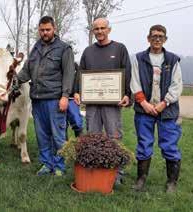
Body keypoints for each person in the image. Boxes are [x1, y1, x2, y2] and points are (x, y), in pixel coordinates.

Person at [13, 16, 75, 176]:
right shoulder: (35, 48)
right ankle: (47, 164)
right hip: (38, 99)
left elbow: (69, 74)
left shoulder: (64, 48)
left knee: (58, 135)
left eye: (47, 29)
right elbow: (26, 71)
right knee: (42, 136)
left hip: (55, 99)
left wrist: (65, 96)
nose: (44, 33)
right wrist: (13, 82)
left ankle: (60, 166)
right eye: (42, 30)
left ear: (54, 29)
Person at [78, 18, 131, 184]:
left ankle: (117, 173)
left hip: (112, 103)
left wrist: (127, 94)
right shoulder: (88, 52)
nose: (99, 31)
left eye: (103, 28)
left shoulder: (120, 48)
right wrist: (77, 92)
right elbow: (81, 73)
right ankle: (95, 170)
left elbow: (127, 73)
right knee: (93, 136)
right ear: (93, 31)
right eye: (96, 29)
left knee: (114, 135)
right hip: (92, 103)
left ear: (109, 29)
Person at [131, 25, 183, 193]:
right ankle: (141, 179)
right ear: (148, 38)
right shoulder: (138, 59)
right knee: (144, 144)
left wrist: (164, 103)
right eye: (154, 36)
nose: (157, 39)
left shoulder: (173, 60)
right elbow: (134, 82)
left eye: (161, 36)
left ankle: (172, 182)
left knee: (169, 145)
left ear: (165, 39)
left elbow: (177, 85)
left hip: (166, 110)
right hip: (143, 109)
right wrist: (144, 103)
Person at [66, 62, 83, 138]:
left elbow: (79, 78)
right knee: (62, 124)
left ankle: (80, 143)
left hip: (72, 98)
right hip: (59, 98)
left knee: (77, 122)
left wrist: (77, 91)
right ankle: (64, 147)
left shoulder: (75, 65)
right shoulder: (57, 64)